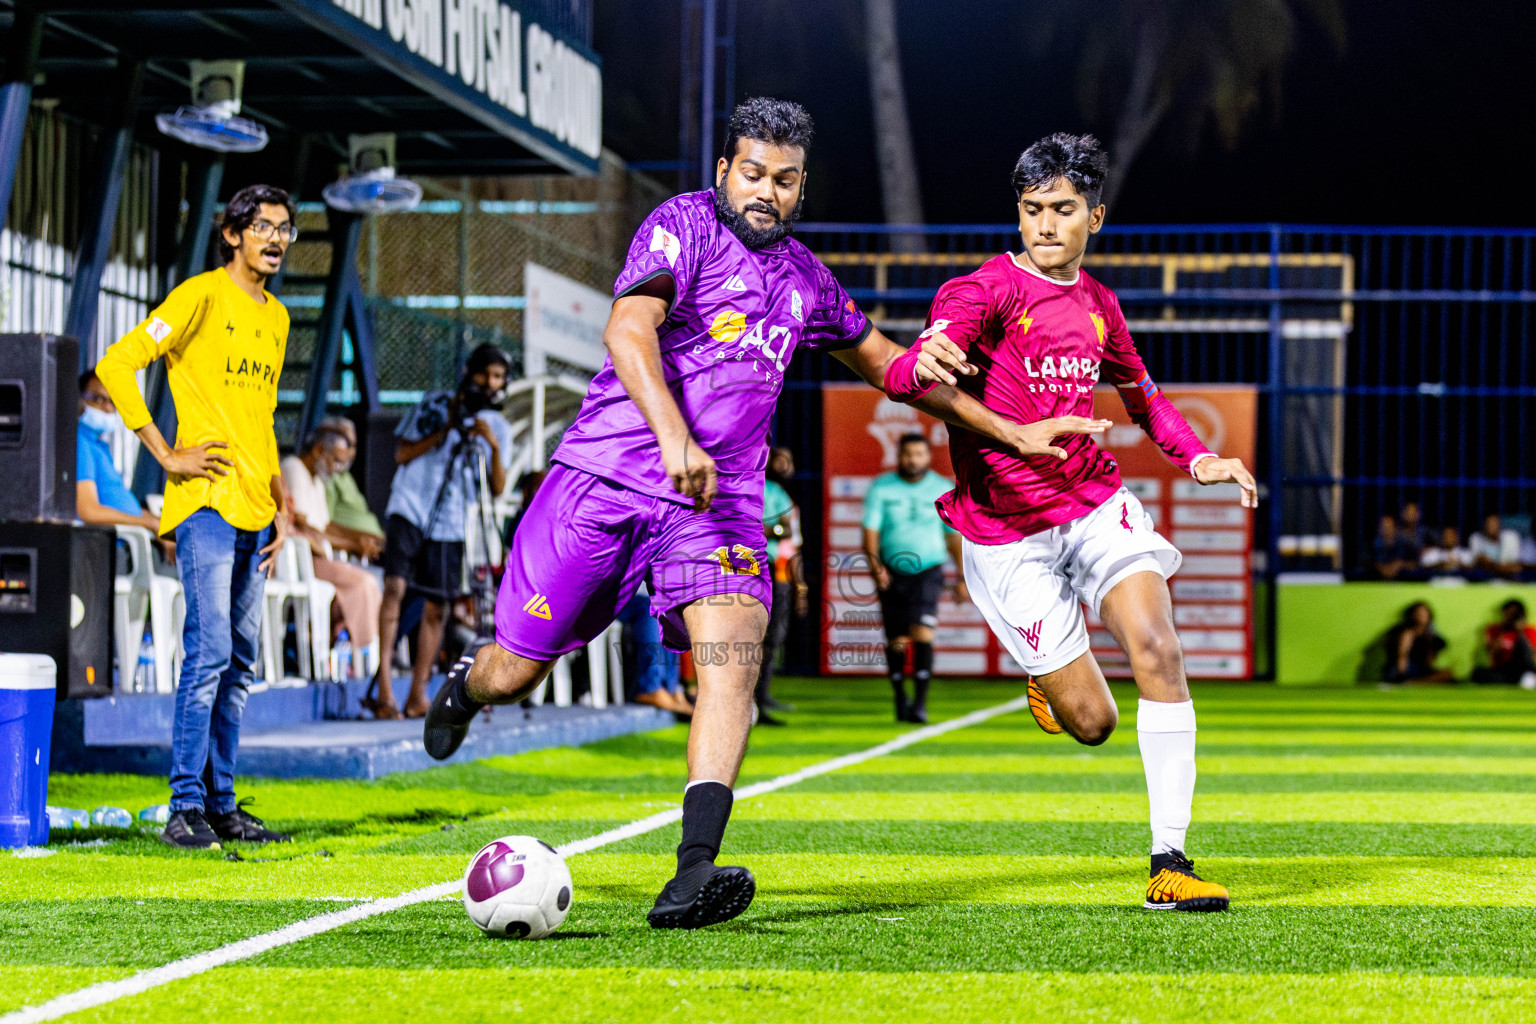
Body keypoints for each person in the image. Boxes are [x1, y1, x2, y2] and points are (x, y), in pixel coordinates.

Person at [422, 97, 1101, 931]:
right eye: (752, 173)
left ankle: (692, 872)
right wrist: (673, 437)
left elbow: (890, 363)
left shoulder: (807, 280)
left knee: (731, 662)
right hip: (604, 483)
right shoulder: (682, 227)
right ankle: (466, 682)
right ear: (723, 173)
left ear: (801, 186)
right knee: (514, 671)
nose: (767, 192)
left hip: (719, 508)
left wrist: (1011, 428)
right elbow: (629, 331)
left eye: (785, 179)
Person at [883, 134, 1260, 912]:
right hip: (1005, 531)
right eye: (1030, 211)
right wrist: (937, 351)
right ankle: (1049, 681)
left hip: (1093, 506)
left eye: (1061, 210)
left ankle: (1170, 862)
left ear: (1096, 215)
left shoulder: (1100, 305)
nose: (1044, 225)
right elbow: (943, 336)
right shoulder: (985, 289)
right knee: (1092, 724)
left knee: (1159, 646)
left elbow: (1145, 396)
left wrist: (1198, 460)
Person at [95, 183, 296, 849]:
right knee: (208, 652)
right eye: (264, 226)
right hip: (204, 502)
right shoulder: (200, 295)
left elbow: (261, 419)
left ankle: (222, 803)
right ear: (233, 234)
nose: (276, 239)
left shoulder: (279, 318)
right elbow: (117, 364)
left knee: (240, 661)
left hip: (257, 509)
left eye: (285, 228)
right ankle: (184, 806)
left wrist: (282, 502)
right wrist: (163, 453)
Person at [368, 344, 514, 720]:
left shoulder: (498, 425)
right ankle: (384, 689)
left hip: (451, 520)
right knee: (395, 589)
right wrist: (446, 427)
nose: (491, 383)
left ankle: (418, 694)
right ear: (470, 371)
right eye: (486, 374)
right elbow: (402, 454)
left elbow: (498, 488)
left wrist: (492, 446)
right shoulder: (436, 402)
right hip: (410, 504)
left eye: (498, 377)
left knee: (439, 607)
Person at [862, 432, 965, 724]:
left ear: (928, 457)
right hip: (891, 572)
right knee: (896, 640)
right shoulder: (881, 488)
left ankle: (920, 704)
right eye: (908, 454)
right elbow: (870, 531)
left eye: (919, 454)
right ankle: (900, 696)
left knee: (922, 633)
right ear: (898, 456)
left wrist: (961, 576)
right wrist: (875, 566)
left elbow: (953, 537)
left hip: (928, 571)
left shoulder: (941, 488)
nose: (913, 460)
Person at [280, 427, 384, 664]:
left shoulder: (316, 479)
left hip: (322, 556)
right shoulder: (294, 469)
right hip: (302, 560)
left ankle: (354, 652)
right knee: (365, 582)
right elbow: (304, 526)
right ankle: (362, 652)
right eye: (335, 461)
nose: (337, 469)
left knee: (371, 581)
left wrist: (357, 541)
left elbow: (324, 526)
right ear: (318, 450)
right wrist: (352, 544)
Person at [75, 369, 168, 549]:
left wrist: (154, 521)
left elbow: (114, 502)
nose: (108, 408)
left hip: (130, 542)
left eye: (112, 402)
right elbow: (88, 511)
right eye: (99, 399)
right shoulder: (80, 442)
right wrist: (149, 523)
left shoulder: (98, 445)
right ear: (79, 400)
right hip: (111, 549)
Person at [754, 449, 807, 726]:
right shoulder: (763, 487)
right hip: (760, 569)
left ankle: (761, 697)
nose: (785, 465)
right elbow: (760, 528)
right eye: (779, 459)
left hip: (780, 571)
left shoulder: (782, 495)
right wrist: (774, 529)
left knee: (772, 639)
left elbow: (790, 537)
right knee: (759, 639)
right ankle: (754, 702)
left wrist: (801, 586)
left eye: (789, 459)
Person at [616, 589, 694, 715]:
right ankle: (651, 687)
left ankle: (672, 688)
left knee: (668, 605)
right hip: (603, 597)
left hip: (633, 596)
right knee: (650, 606)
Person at [318, 416, 385, 553]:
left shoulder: (345, 476)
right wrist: (358, 540)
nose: (351, 452)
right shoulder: (327, 475)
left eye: (353, 445)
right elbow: (325, 524)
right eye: (346, 444)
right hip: (360, 549)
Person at [1472, 600, 1536, 688]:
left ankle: (1525, 680)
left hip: (1522, 669)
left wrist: (1520, 631)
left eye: (1514, 614)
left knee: (1527, 674)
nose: (1511, 617)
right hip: (1502, 669)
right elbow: (1491, 652)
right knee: (1478, 673)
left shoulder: (1529, 630)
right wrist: (1504, 630)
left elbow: (1531, 653)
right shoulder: (1495, 629)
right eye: (1509, 613)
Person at [1384, 601, 1452, 683]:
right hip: (1404, 670)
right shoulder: (1406, 633)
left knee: (1447, 674)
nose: (1422, 615)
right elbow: (1402, 655)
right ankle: (1404, 682)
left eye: (1424, 613)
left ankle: (1411, 683)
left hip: (1419, 671)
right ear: (1412, 615)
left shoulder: (1430, 635)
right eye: (1419, 613)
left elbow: (1430, 661)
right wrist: (1401, 674)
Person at [1469, 514, 1520, 579]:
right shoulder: (1476, 539)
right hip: (1485, 577)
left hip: (1507, 577)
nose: (1491, 526)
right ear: (1484, 526)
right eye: (1489, 524)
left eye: (1494, 524)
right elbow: (1479, 563)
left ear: (1500, 526)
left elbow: (1515, 566)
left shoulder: (1511, 538)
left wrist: (1492, 565)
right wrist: (1503, 568)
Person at [1370, 515, 1413, 579]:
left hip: (1402, 579)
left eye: (1389, 527)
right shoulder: (1374, 545)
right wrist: (1383, 569)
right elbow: (1372, 563)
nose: (1386, 530)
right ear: (1379, 529)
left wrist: (1399, 565)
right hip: (1376, 579)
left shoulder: (1404, 545)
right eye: (1384, 527)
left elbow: (1412, 564)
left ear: (1395, 528)